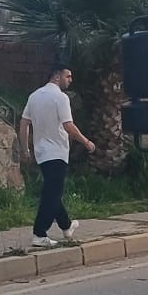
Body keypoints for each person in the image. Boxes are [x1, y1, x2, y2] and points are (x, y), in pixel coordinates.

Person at [19, 65, 95, 249]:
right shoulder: (60, 98)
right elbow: (68, 125)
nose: (70, 80)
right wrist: (86, 142)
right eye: (68, 76)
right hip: (57, 152)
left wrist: (25, 150)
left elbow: (23, 124)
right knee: (51, 194)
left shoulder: (34, 96)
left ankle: (66, 225)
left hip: (42, 153)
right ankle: (39, 233)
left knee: (52, 191)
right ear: (56, 76)